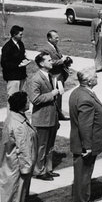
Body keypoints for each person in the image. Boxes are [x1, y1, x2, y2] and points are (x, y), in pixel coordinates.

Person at [69, 68, 102, 202]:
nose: (97, 78)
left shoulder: (78, 92)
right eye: (96, 77)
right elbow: (85, 125)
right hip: (85, 144)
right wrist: (87, 146)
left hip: (81, 142)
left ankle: (83, 200)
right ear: (89, 81)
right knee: (84, 174)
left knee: (83, 173)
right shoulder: (85, 98)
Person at [0, 91, 37, 202]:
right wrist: (27, 167)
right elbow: (24, 148)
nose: (29, 103)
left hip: (11, 161)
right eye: (27, 101)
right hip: (19, 164)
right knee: (19, 190)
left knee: (12, 191)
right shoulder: (19, 125)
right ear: (21, 105)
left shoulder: (13, 117)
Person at [28, 52, 61, 181]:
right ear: (41, 63)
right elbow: (34, 99)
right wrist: (52, 94)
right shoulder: (36, 79)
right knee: (41, 146)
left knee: (50, 145)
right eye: (49, 60)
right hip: (41, 118)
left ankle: (48, 168)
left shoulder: (50, 76)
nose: (52, 62)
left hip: (52, 116)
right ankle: (39, 171)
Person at [41, 30, 72, 121]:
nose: (58, 39)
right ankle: (54, 115)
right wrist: (62, 60)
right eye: (56, 38)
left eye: (58, 37)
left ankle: (59, 114)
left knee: (60, 94)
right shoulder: (46, 49)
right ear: (49, 38)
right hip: (54, 76)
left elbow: (58, 57)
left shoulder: (54, 47)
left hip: (60, 75)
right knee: (55, 95)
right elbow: (47, 62)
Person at [1, 25, 31, 97]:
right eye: (20, 34)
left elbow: (22, 55)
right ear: (14, 35)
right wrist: (18, 65)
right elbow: (4, 64)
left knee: (22, 99)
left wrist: (26, 60)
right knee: (13, 99)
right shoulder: (7, 47)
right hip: (13, 77)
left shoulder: (21, 44)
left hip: (22, 76)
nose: (22, 36)